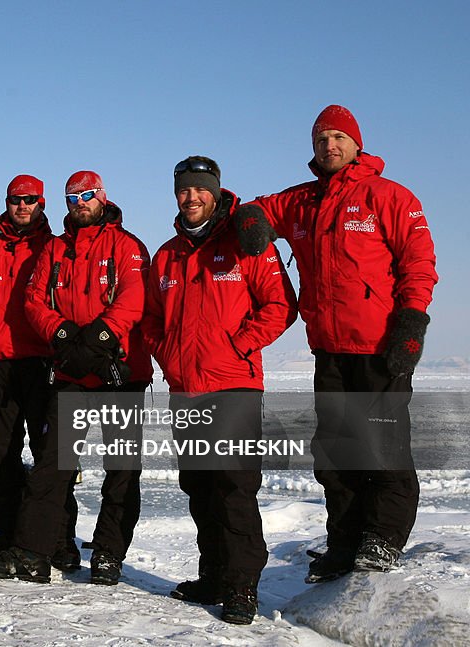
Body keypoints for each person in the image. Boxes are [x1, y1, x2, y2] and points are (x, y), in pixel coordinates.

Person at [234, 106, 438, 582]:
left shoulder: (389, 195)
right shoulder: (302, 201)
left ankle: (383, 538)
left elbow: (419, 263)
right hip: (328, 350)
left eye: (339, 137)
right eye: (322, 138)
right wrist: (250, 221)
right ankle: (345, 542)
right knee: (336, 452)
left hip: (380, 348)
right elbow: (258, 208)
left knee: (383, 447)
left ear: (356, 143)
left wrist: (411, 324)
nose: (330, 146)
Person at [0, 170, 152, 585]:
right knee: (52, 464)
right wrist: (64, 336)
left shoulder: (128, 247)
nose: (81, 203)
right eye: (73, 198)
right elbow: (35, 301)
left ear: (102, 197)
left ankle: (108, 554)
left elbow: (131, 303)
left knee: (122, 469)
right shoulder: (54, 250)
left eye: (88, 196)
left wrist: (91, 345)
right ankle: (33, 551)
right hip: (72, 374)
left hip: (119, 373)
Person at [143, 157, 297, 624]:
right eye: (184, 191)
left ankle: (241, 586)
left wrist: (238, 346)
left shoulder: (246, 245)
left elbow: (280, 306)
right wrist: (165, 352)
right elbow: (150, 318)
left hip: (234, 388)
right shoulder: (167, 254)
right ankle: (213, 575)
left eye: (200, 190)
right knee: (200, 486)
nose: (191, 198)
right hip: (184, 389)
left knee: (233, 487)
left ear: (215, 192)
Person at [0, 174, 80, 571]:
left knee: (50, 459)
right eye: (15, 200)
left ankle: (60, 541)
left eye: (29, 200)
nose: (22, 206)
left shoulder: (56, 246)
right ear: (6, 204)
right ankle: (7, 537)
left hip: (43, 363)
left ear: (41, 203)